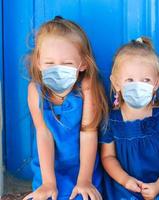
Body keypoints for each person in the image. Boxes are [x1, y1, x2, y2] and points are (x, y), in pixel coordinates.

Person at [24, 16, 108, 200]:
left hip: (82, 168)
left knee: (83, 196)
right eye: (49, 63)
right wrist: (48, 182)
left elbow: (88, 132)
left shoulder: (87, 88)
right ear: (38, 62)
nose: (57, 69)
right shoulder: (35, 90)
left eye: (67, 63)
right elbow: (43, 133)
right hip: (49, 169)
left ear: (83, 64)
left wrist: (84, 180)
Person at [101, 36, 159, 199]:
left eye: (146, 80)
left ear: (156, 83)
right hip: (126, 186)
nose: (137, 86)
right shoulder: (111, 120)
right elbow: (108, 157)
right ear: (116, 83)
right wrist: (125, 180)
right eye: (129, 80)